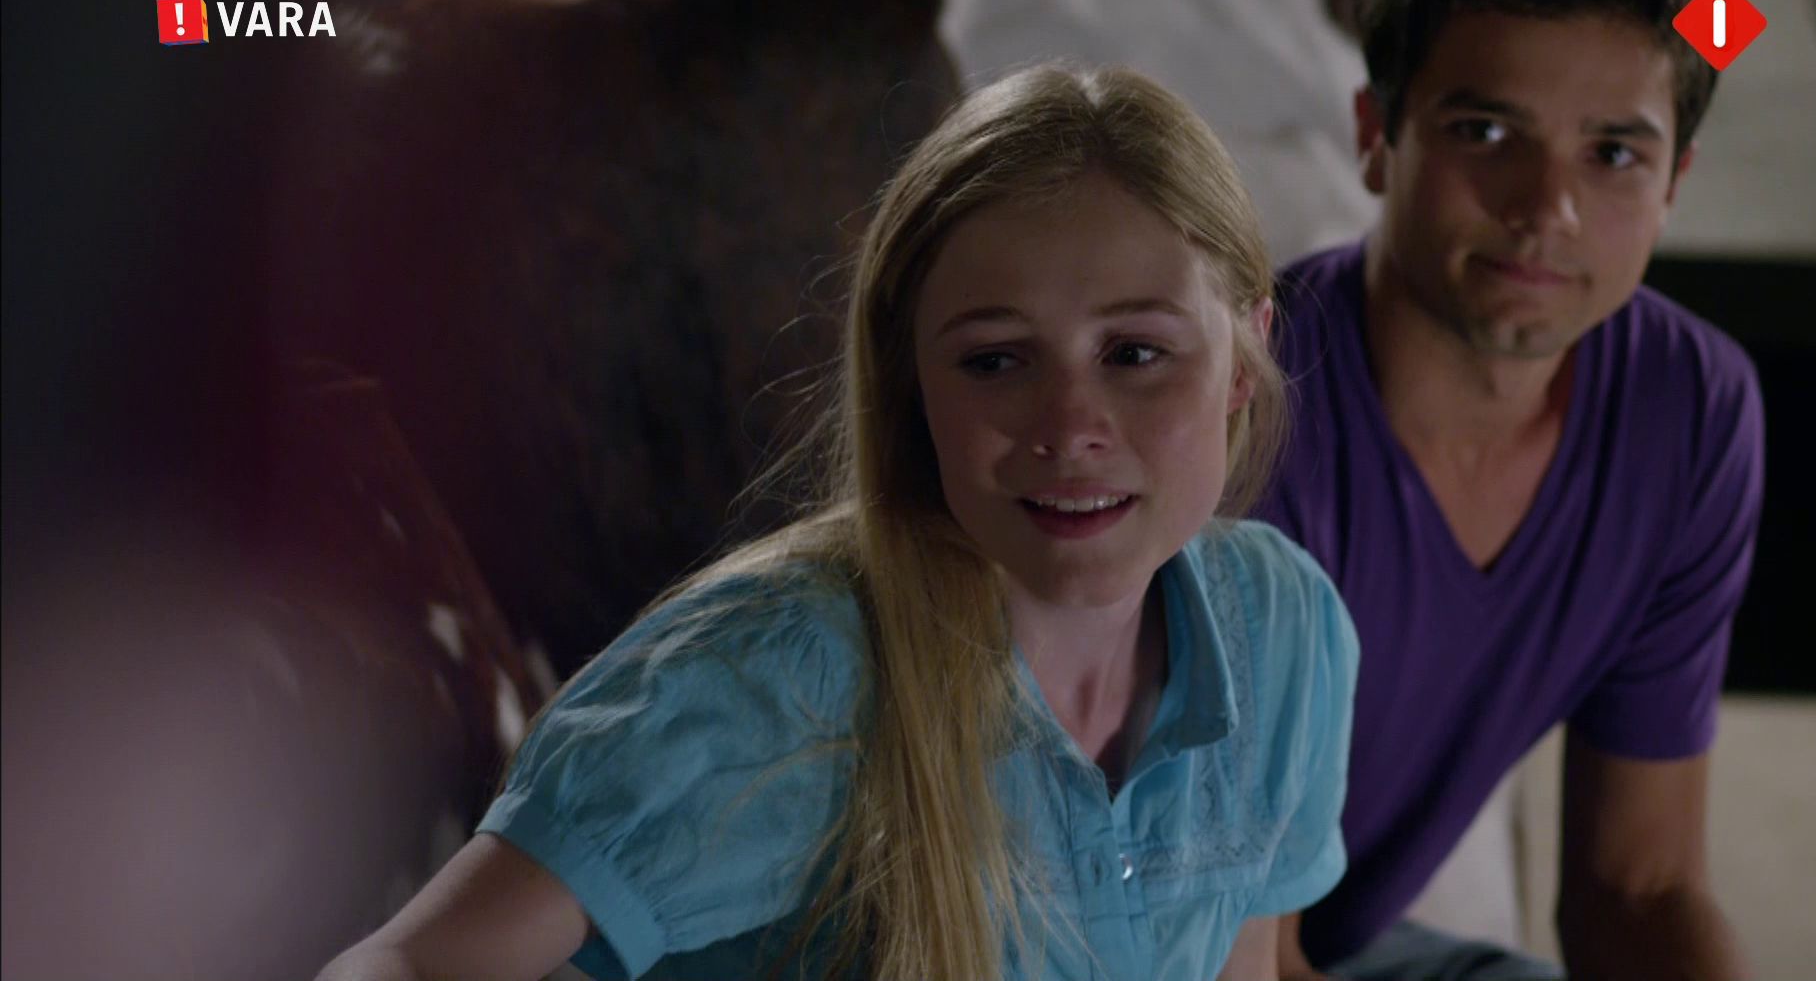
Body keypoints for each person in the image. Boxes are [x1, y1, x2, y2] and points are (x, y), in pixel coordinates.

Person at [316, 63, 1360, 981]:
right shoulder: (781, 679)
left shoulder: (1285, 630)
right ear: (914, 384)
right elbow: (403, 962)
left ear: (1244, 358)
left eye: (1135, 354)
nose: (1069, 428)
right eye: (995, 361)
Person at [1256, 0, 1765, 979]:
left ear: (1675, 181)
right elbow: (1230, 951)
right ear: (1375, 136)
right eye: (1486, 133)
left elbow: (1639, 887)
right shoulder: (1247, 418)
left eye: (1613, 153)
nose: (1548, 209)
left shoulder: (1691, 409)